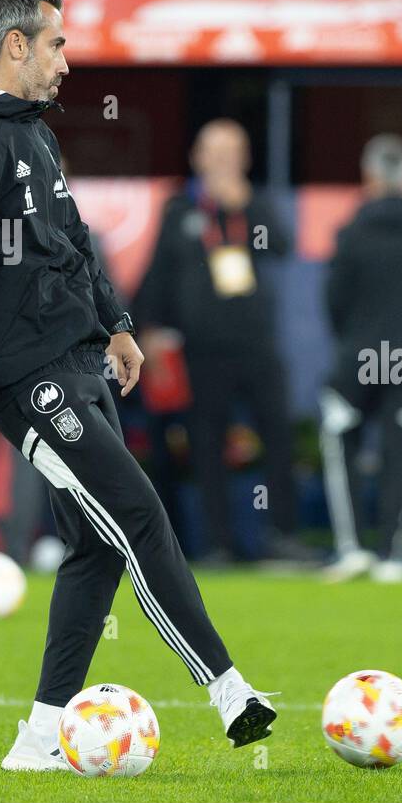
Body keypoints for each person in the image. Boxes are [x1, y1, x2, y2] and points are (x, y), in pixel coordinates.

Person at [0, 0, 276, 771]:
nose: (69, 60)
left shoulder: (31, 131)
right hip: (23, 377)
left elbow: (72, 239)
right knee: (136, 509)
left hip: (75, 359)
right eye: (58, 42)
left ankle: (39, 739)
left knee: (98, 545)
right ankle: (229, 689)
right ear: (16, 45)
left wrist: (118, 325)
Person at [132, 119, 313, 564]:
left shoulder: (257, 206)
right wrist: (147, 330)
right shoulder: (180, 208)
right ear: (198, 158)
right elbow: (158, 275)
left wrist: (247, 208)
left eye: (233, 152)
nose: (223, 161)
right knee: (206, 445)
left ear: (245, 160)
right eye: (215, 152)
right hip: (201, 348)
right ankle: (217, 544)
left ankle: (281, 537)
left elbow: (283, 247)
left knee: (277, 438)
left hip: (257, 344)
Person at [320, 135, 402, 583]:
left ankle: (353, 548)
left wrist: (353, 342)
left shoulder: (351, 233)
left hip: (357, 354)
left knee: (341, 440)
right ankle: (393, 556)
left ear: (371, 176)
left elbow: (335, 300)